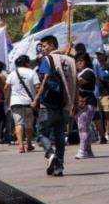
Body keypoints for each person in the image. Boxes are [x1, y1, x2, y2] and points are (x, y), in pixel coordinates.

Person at [32, 35, 77, 177]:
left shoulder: (48, 59)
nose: (43, 50)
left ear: (52, 45)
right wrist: (74, 102)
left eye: (44, 46)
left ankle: (50, 154)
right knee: (59, 137)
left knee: (40, 135)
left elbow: (45, 79)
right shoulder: (70, 60)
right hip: (65, 104)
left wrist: (36, 99)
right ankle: (59, 167)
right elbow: (75, 82)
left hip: (49, 104)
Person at [5, 55, 39, 153]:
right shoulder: (32, 73)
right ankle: (28, 144)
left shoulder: (12, 74)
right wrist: (36, 100)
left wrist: (7, 99)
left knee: (18, 123)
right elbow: (38, 87)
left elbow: (6, 87)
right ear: (27, 63)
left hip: (15, 102)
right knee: (29, 124)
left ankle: (20, 145)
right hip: (29, 103)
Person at [75, 53, 97, 159]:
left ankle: (82, 150)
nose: (78, 63)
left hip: (88, 102)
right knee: (84, 127)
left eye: (81, 60)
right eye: (77, 61)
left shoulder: (88, 72)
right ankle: (88, 150)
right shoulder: (78, 72)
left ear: (86, 62)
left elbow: (77, 82)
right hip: (80, 103)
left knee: (83, 127)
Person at [93, 50, 109, 138]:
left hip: (106, 93)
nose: (98, 56)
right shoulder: (95, 65)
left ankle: (107, 133)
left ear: (104, 55)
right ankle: (100, 133)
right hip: (96, 93)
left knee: (107, 114)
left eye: (100, 55)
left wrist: (102, 76)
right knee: (98, 115)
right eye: (97, 55)